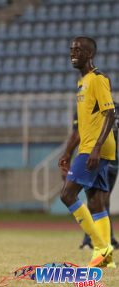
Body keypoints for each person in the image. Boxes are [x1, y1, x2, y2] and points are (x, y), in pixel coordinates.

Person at [58, 36, 116, 268]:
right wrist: (68, 152)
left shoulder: (98, 79)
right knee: (95, 203)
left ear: (90, 54)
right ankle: (106, 259)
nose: (73, 53)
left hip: (95, 148)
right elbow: (83, 126)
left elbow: (110, 113)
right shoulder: (82, 83)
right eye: (72, 49)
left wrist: (97, 147)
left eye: (79, 50)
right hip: (89, 147)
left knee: (67, 195)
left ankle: (101, 247)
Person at [59, 109, 119, 250]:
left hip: (94, 154)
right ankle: (107, 244)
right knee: (100, 199)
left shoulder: (88, 103)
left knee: (69, 195)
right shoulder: (114, 106)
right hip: (112, 157)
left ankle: (97, 243)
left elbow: (78, 133)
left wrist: (68, 153)